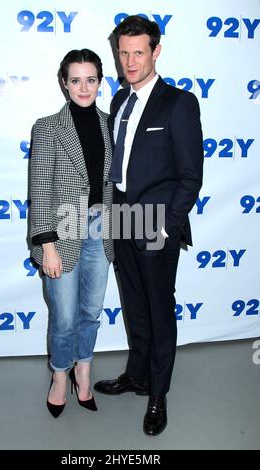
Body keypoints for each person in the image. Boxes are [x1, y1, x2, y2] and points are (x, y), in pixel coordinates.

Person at [94, 16, 203, 436]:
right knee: (134, 302)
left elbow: (190, 175)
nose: (130, 60)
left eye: (139, 52)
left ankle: (159, 392)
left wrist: (168, 227)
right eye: (123, 52)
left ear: (156, 51)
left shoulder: (179, 102)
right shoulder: (120, 100)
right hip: (121, 215)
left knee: (159, 309)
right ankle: (137, 375)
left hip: (156, 222)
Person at [29, 49, 114, 418]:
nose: (84, 87)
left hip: (102, 229)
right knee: (63, 316)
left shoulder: (111, 124)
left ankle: (84, 370)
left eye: (91, 79)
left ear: (100, 81)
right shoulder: (47, 127)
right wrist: (47, 244)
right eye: (76, 79)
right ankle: (60, 376)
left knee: (91, 312)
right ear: (64, 82)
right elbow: (39, 189)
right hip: (61, 231)